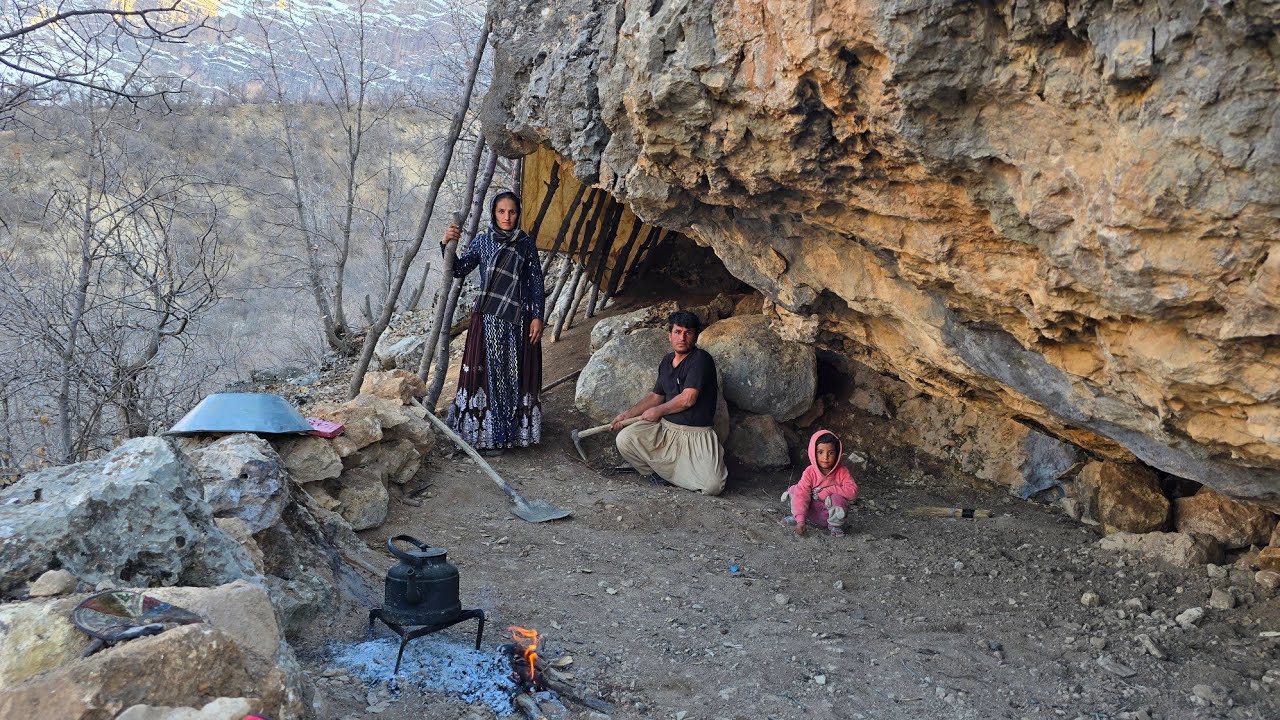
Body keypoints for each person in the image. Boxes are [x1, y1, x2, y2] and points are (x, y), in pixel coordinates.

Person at [442, 191, 545, 455]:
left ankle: (512, 433)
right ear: (493, 213)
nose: (507, 217)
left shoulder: (524, 243)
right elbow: (459, 269)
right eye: (501, 211)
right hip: (487, 318)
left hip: (518, 321)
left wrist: (537, 316)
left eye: (512, 212)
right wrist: (446, 244)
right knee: (487, 375)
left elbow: (535, 281)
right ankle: (486, 435)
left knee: (514, 375)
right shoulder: (482, 241)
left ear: (518, 214)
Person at [610, 311, 728, 495]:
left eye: (688, 332)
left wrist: (657, 411)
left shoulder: (701, 359)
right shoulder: (666, 361)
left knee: (713, 486)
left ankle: (672, 474)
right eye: (677, 332)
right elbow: (655, 396)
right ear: (670, 335)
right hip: (665, 431)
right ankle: (656, 476)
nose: (682, 338)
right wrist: (626, 415)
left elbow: (688, 399)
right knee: (625, 439)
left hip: (695, 435)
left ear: (695, 335)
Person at [780, 430, 859, 537]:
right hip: (809, 512)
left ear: (837, 453)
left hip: (828, 516)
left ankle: (835, 526)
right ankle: (797, 517)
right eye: (820, 452)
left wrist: (830, 490)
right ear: (813, 453)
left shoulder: (842, 472)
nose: (825, 457)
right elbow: (802, 494)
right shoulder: (810, 472)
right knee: (796, 489)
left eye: (831, 453)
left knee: (837, 498)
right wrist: (801, 520)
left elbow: (853, 492)